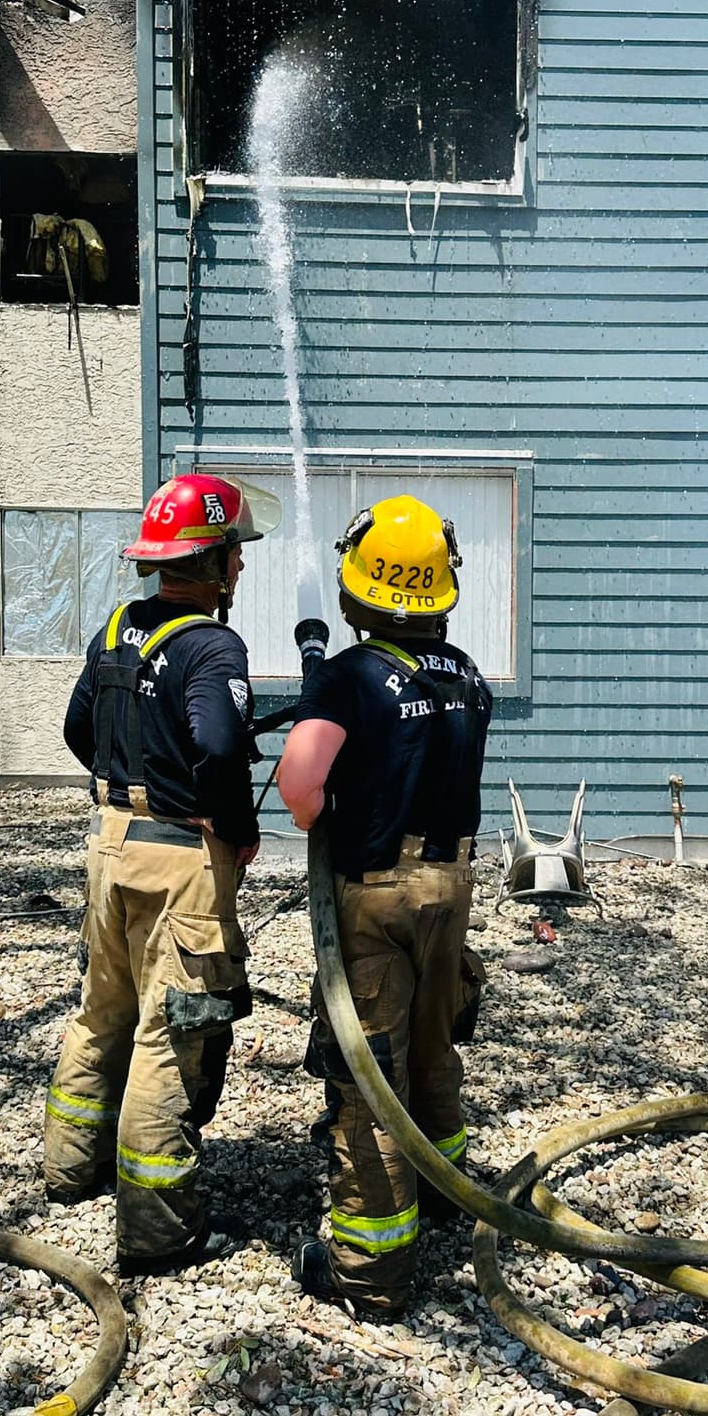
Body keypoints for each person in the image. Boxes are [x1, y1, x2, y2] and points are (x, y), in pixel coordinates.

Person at [43, 471, 280, 1277]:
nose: (240, 565)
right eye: (234, 552)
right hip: (178, 859)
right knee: (169, 1036)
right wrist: (231, 823)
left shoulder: (116, 629)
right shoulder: (213, 645)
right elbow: (216, 743)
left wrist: (132, 782)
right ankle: (157, 1229)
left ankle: (71, 1169)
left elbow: (79, 728)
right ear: (210, 562)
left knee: (101, 1010)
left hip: (109, 845)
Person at [278, 495, 492, 1318]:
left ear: (357, 588)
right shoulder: (467, 675)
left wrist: (329, 786)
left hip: (375, 891)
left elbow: (300, 789)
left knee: (369, 1069)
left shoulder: (349, 677)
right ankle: (442, 1191)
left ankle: (370, 1268)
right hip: (451, 883)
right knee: (434, 1043)